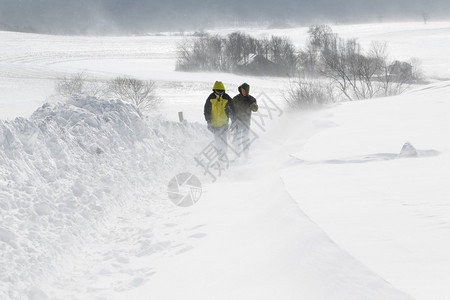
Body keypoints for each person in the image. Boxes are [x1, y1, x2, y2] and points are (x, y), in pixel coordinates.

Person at [204, 81, 235, 154]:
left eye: (221, 91)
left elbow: (233, 110)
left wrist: (233, 121)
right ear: (214, 90)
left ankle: (224, 154)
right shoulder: (211, 98)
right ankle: (219, 155)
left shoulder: (227, 98)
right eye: (218, 91)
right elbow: (206, 111)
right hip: (214, 124)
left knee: (224, 140)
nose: (219, 93)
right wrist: (208, 122)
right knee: (217, 141)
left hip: (224, 124)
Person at [232, 82, 258, 157]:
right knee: (236, 140)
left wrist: (252, 104)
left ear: (247, 91)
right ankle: (236, 156)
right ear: (240, 90)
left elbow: (255, 109)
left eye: (244, 90)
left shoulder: (252, 99)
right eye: (242, 90)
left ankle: (246, 156)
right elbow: (231, 109)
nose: (243, 92)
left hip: (246, 123)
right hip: (237, 122)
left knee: (245, 140)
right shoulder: (236, 98)